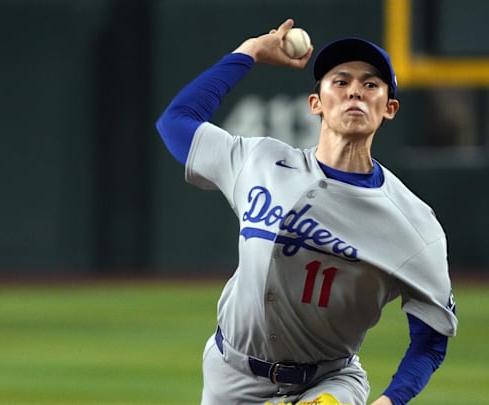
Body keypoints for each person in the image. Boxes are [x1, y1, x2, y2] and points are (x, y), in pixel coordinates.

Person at [156, 18, 458, 405]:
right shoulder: (260, 161)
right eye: (341, 81)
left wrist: (390, 401)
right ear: (315, 103)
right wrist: (249, 51)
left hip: (329, 382)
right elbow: (175, 122)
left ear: (390, 108)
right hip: (230, 374)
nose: (355, 92)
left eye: (370, 84)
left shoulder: (414, 223)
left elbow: (431, 340)